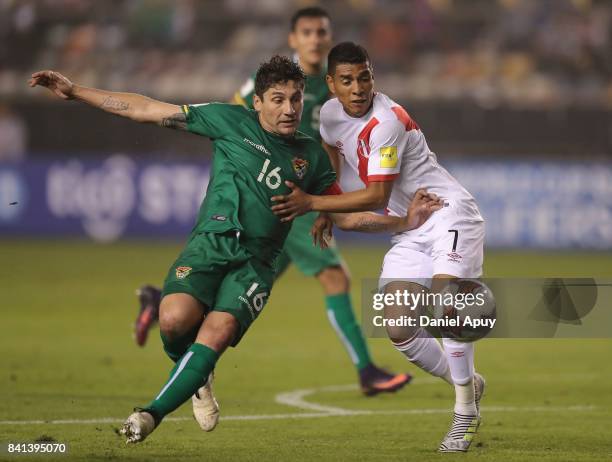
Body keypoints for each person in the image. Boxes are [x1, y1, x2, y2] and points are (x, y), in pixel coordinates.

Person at [29, 56, 442, 444]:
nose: (289, 109)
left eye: (296, 99)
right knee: (173, 320)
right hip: (210, 244)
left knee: (219, 330)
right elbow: (145, 109)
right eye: (278, 100)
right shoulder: (228, 120)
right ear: (257, 102)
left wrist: (404, 222)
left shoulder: (310, 157)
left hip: (257, 265)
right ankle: (198, 375)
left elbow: (349, 217)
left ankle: (148, 415)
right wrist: (76, 90)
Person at [134, 6, 412, 414]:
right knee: (334, 276)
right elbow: (242, 122)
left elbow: (326, 150)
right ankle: (366, 370)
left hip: (308, 195)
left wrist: (326, 199)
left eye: (323, 32)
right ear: (293, 39)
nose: (317, 39)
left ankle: (161, 302)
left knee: (255, 276)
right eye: (308, 32)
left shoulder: (334, 86)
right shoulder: (279, 82)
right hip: (284, 197)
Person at [270, 42, 487, 453]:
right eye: (347, 80)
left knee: (447, 305)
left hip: (449, 212)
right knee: (399, 326)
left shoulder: (386, 121)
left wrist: (314, 203)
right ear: (331, 84)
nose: (357, 88)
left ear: (374, 77)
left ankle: (464, 412)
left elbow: (374, 196)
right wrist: (325, 204)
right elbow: (332, 157)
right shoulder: (330, 115)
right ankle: (468, 383)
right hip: (413, 225)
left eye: (365, 77)